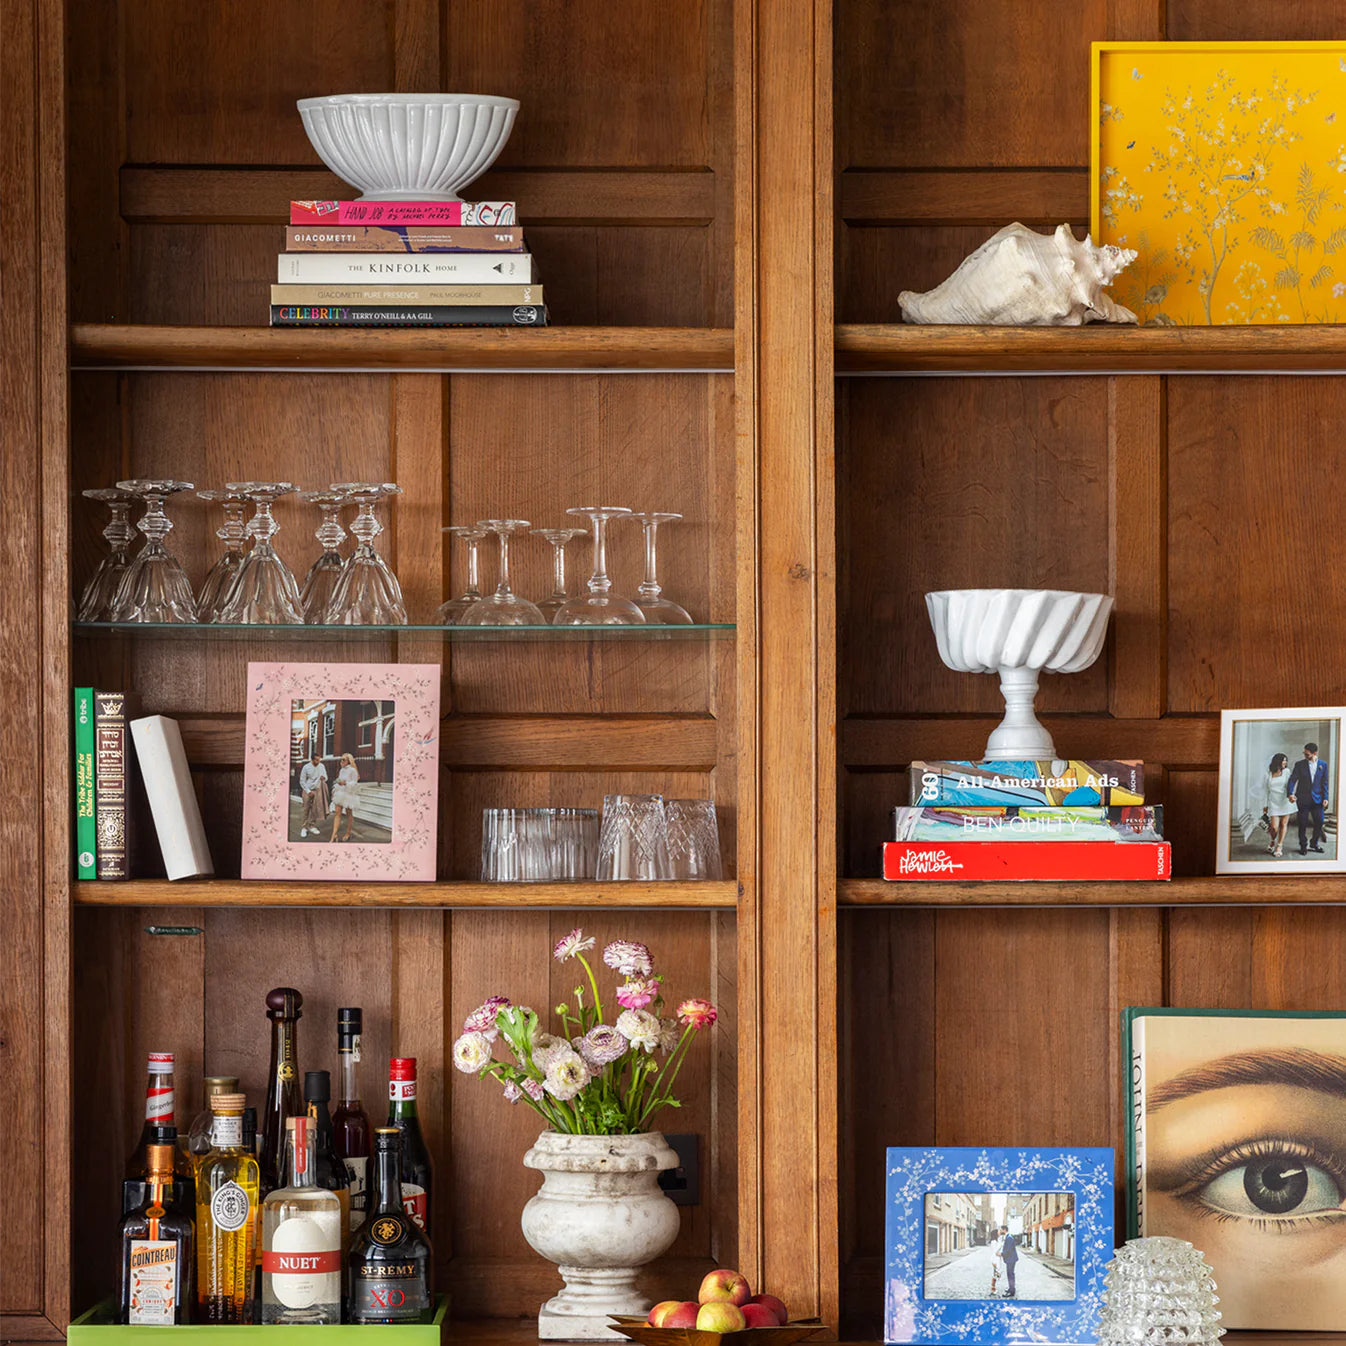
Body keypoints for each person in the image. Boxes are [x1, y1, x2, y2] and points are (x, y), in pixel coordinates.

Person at [1287, 741, 1330, 856]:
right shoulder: (1299, 764)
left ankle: (1314, 843)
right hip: (1303, 799)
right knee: (1302, 823)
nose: (1305, 756)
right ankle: (1303, 845)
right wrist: (1290, 793)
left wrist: (1326, 797)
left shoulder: (1323, 765)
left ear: (1314, 753)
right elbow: (1292, 780)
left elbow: (1325, 783)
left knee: (1320, 821)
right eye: (1304, 753)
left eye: (1307, 754)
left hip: (1318, 799)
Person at [1255, 752, 1296, 858]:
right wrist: (1265, 806)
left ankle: (1279, 846)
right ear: (1277, 761)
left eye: (1286, 760)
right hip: (1273, 802)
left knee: (1283, 824)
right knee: (1274, 827)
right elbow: (1265, 791)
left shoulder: (1287, 771)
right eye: (1283, 760)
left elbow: (1290, 785)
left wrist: (1291, 795)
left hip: (1285, 801)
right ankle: (1273, 840)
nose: (1285, 762)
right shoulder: (1267, 773)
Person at [329, 752, 359, 843]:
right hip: (340, 793)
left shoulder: (352, 770)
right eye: (341, 759)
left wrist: (345, 783)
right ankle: (333, 835)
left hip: (349, 794)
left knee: (349, 813)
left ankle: (348, 833)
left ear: (348, 761)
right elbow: (339, 781)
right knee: (337, 813)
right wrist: (336, 789)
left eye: (343, 760)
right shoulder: (341, 770)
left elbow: (355, 783)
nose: (341, 761)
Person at [297, 751, 328, 838]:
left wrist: (324, 778)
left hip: (317, 790)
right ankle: (304, 828)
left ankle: (312, 826)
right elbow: (302, 781)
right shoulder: (306, 767)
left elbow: (326, 777)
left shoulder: (322, 766)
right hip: (308, 790)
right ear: (312, 760)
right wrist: (308, 791)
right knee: (306, 809)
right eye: (317, 760)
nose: (318, 761)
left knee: (315, 810)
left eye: (319, 760)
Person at [999, 1226, 1018, 1298]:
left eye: (1001, 1230)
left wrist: (1001, 1254)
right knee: (1010, 1274)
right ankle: (1011, 1289)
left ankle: (1012, 1291)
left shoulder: (1009, 1238)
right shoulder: (1008, 1237)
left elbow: (1008, 1250)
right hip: (1010, 1259)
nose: (1000, 1231)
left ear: (1004, 1230)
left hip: (1011, 1259)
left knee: (1010, 1275)